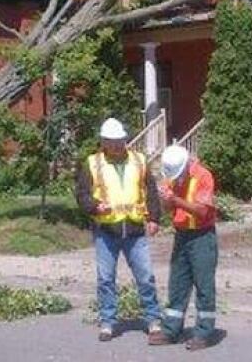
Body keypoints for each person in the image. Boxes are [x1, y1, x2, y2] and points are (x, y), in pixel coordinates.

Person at [75, 117, 163, 342]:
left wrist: (154, 218)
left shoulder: (139, 161)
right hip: (107, 230)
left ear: (125, 139)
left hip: (134, 229)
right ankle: (108, 322)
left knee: (145, 277)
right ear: (103, 142)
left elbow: (150, 190)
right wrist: (94, 206)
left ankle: (153, 319)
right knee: (105, 279)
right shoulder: (93, 163)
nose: (116, 145)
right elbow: (82, 195)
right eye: (110, 141)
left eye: (119, 141)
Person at [149, 145, 219, 351]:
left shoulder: (204, 176)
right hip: (181, 235)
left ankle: (205, 332)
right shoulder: (172, 176)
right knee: (177, 282)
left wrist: (176, 200)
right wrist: (166, 201)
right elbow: (169, 207)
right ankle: (171, 328)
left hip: (202, 236)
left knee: (204, 285)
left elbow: (202, 210)